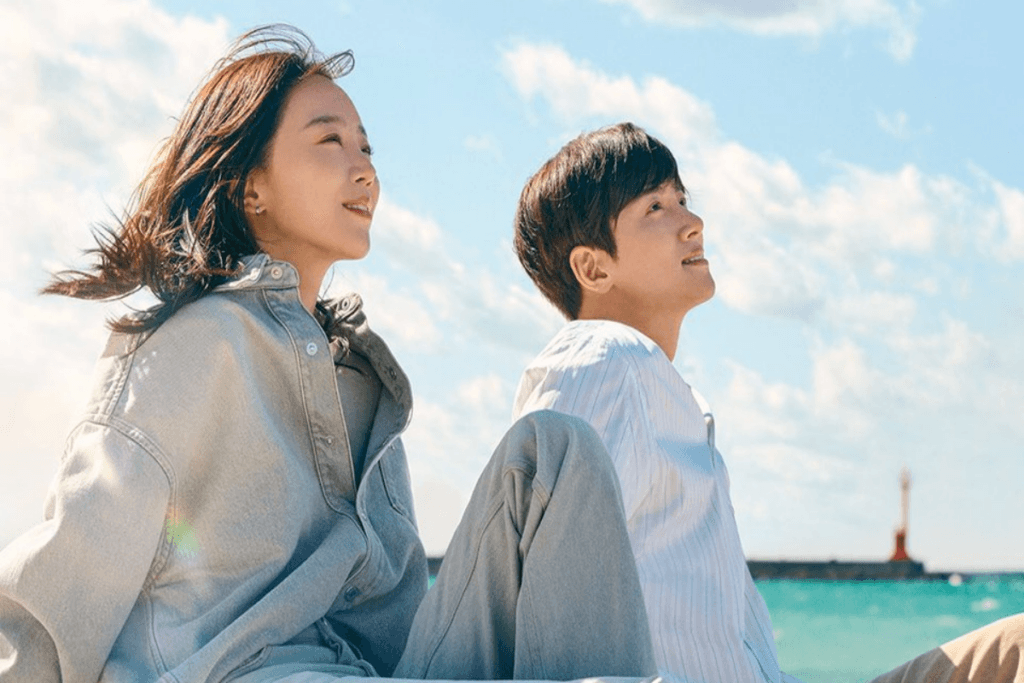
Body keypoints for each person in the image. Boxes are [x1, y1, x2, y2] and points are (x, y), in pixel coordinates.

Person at [0, 27, 657, 683]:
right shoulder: (189, 347)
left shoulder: (364, 384)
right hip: (235, 670)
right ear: (251, 187)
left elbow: (393, 616)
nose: (364, 168)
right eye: (329, 141)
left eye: (366, 146)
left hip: (370, 671)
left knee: (555, 449)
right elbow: (63, 580)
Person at [511, 121, 1024, 683]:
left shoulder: (654, 389)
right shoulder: (601, 360)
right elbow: (546, 617)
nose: (693, 223)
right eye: (656, 207)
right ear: (593, 267)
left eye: (682, 199)